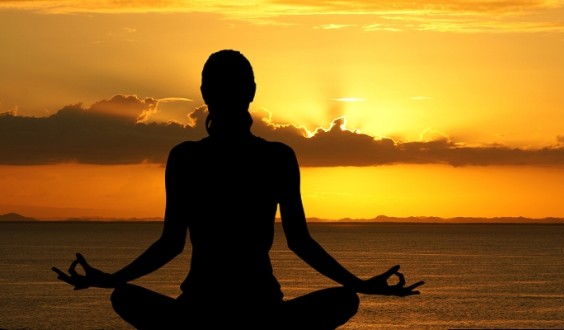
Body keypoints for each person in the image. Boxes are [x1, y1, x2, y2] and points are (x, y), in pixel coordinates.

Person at [52, 49, 424, 329]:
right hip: (262, 313)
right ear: (252, 92)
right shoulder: (276, 156)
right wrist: (359, 285)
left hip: (199, 313)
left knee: (125, 297)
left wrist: (112, 279)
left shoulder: (187, 157)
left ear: (204, 93)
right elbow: (300, 242)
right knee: (344, 300)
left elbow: (171, 244)